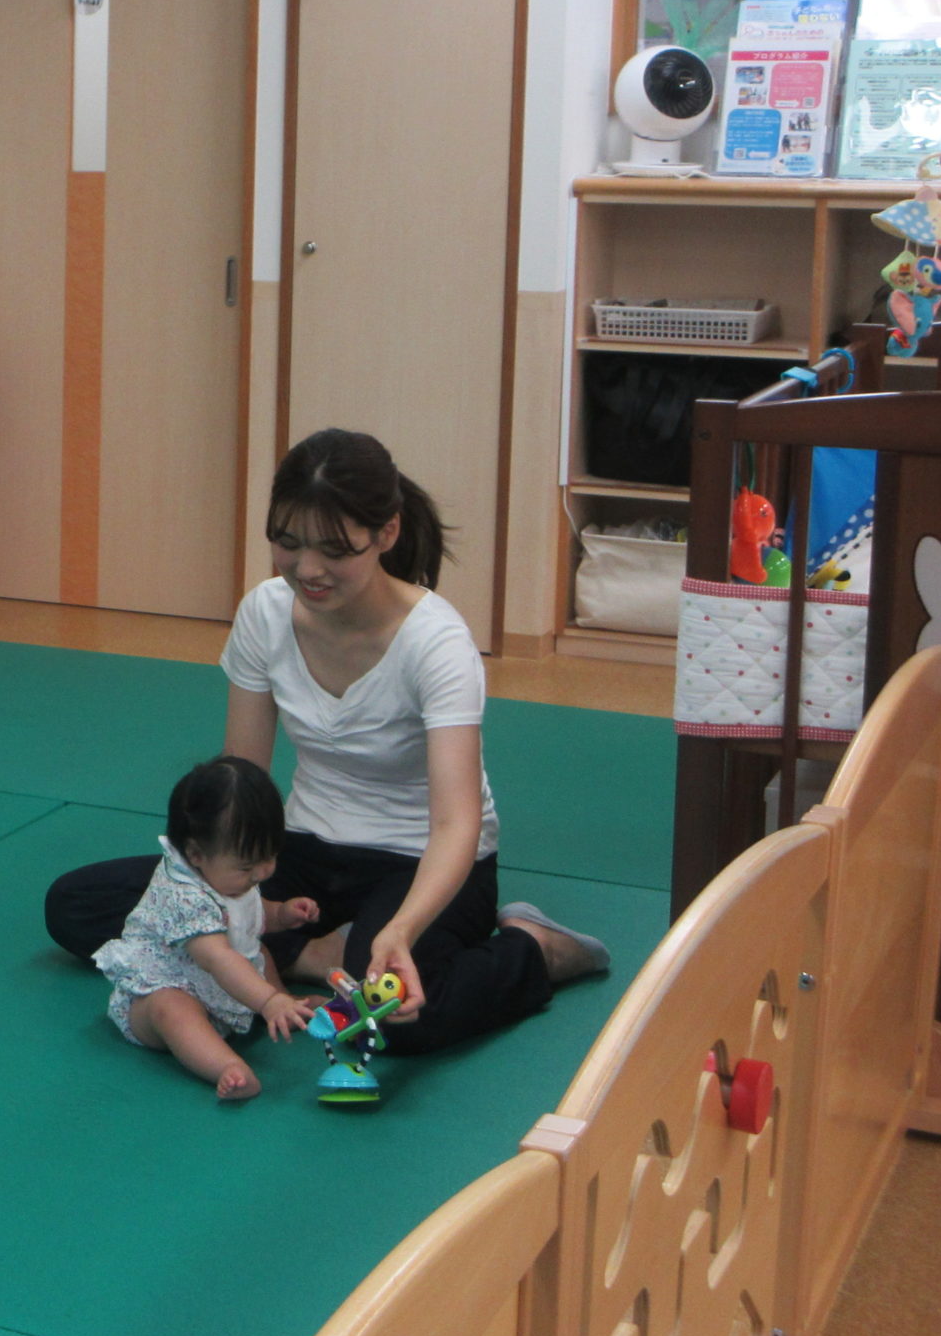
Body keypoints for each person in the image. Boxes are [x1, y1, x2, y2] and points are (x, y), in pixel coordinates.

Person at [46, 428, 610, 1055]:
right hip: (300, 849)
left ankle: (535, 950)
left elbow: (457, 824)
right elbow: (243, 777)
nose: (307, 570)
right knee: (78, 904)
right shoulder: (265, 613)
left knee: (393, 1014)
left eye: (334, 550)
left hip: (420, 860)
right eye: (288, 543)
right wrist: (196, 884)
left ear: (386, 533)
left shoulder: (436, 642)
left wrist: (401, 930)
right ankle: (319, 953)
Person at [95, 758, 322, 1102]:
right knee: (172, 1009)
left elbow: (246, 916)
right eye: (248, 866)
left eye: (271, 856)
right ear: (196, 854)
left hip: (219, 987)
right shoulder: (183, 893)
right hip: (165, 988)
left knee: (257, 950)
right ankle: (225, 1066)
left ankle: (286, 1006)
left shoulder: (226, 872)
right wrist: (267, 1000)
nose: (263, 872)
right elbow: (217, 959)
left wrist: (281, 914)